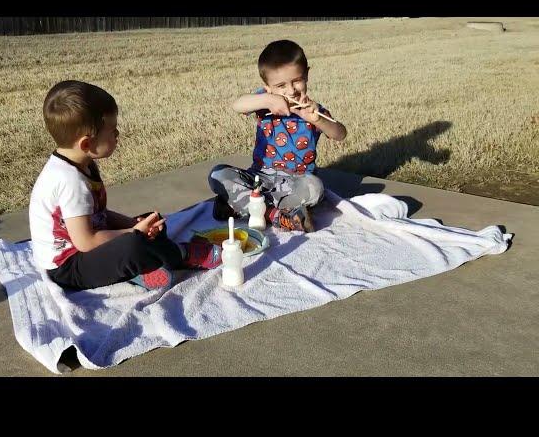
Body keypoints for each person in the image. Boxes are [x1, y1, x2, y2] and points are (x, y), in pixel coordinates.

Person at [29, 80, 221, 291]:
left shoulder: (83, 164)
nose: (118, 135)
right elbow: (86, 241)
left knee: (152, 221)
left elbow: (99, 215)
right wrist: (132, 232)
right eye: (112, 131)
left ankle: (140, 268)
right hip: (69, 267)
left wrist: (133, 223)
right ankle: (179, 256)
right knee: (133, 244)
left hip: (89, 247)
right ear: (86, 144)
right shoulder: (71, 182)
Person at [208, 40, 347, 232]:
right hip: (259, 177)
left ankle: (238, 205)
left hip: (296, 180)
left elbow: (340, 134)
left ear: (306, 74)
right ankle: (275, 215)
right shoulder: (264, 102)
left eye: (297, 80)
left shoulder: (312, 110)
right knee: (217, 174)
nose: (291, 91)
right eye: (281, 85)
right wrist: (267, 99)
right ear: (268, 87)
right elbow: (237, 105)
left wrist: (318, 120)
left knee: (316, 188)